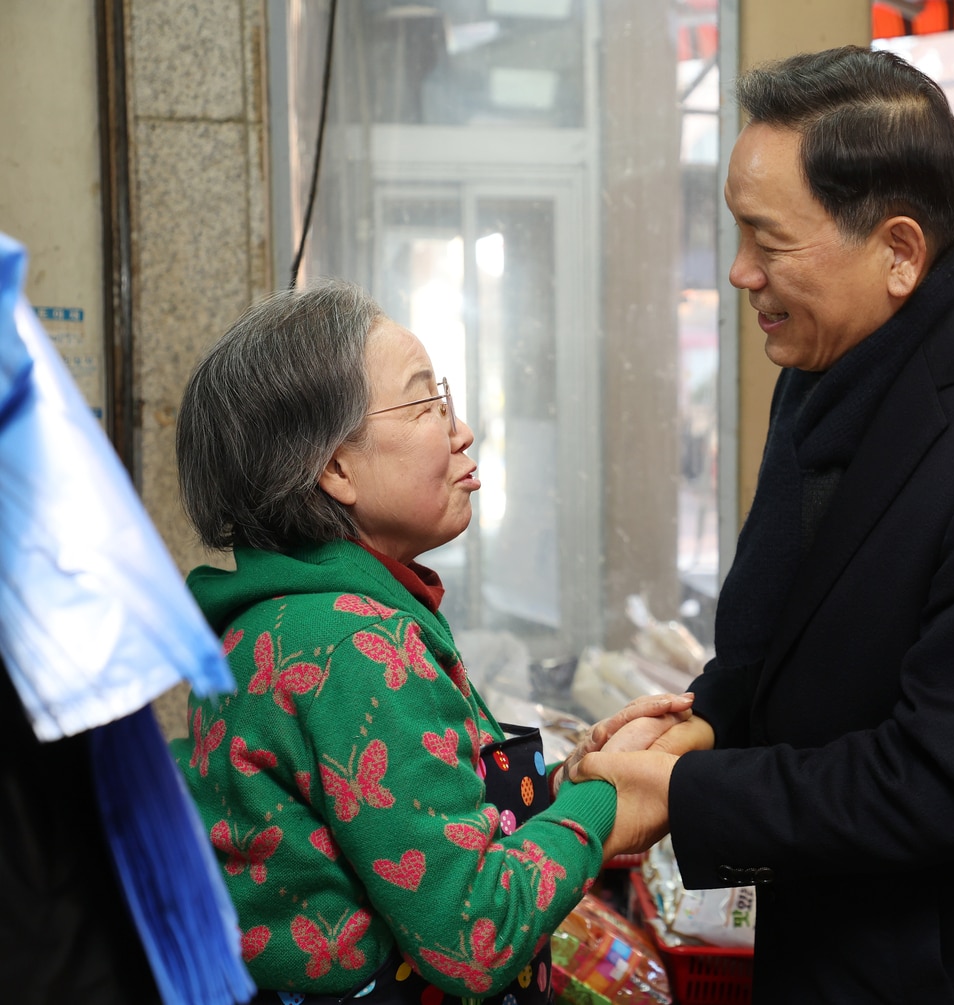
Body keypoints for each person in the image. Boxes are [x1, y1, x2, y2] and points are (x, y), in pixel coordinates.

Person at [573, 46, 954, 1003]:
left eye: (769, 240)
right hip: (842, 944)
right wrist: (700, 727)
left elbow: (939, 781)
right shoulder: (822, 381)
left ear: (898, 252)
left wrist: (680, 796)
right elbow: (782, 637)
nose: (738, 272)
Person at [169, 281, 691, 1004]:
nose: (461, 430)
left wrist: (571, 779)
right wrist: (604, 805)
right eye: (426, 405)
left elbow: (428, 828)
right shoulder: (349, 644)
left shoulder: (286, 620)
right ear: (337, 469)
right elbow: (472, 936)